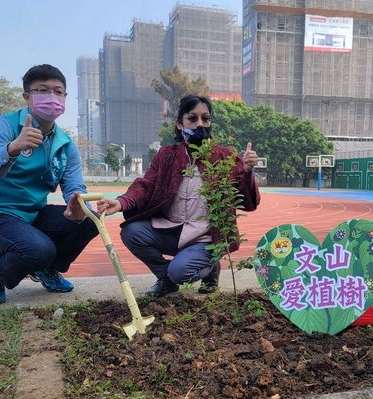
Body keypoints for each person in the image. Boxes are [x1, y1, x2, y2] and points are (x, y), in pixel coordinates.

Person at [96, 95, 260, 297]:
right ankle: (165, 279)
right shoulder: (166, 155)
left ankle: (210, 268)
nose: (200, 124)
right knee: (131, 232)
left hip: (205, 237)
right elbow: (145, 185)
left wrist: (246, 172)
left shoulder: (224, 157)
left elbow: (248, 202)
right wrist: (121, 202)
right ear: (179, 123)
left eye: (206, 119)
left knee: (180, 271)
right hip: (172, 230)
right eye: (192, 118)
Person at [0, 64, 98, 304]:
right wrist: (13, 148)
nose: (52, 97)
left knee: (90, 220)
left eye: (58, 92)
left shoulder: (65, 144)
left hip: (32, 215)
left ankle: (46, 269)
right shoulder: (3, 126)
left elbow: (75, 187)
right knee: (39, 249)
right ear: (27, 96)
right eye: (43, 90)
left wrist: (77, 204)